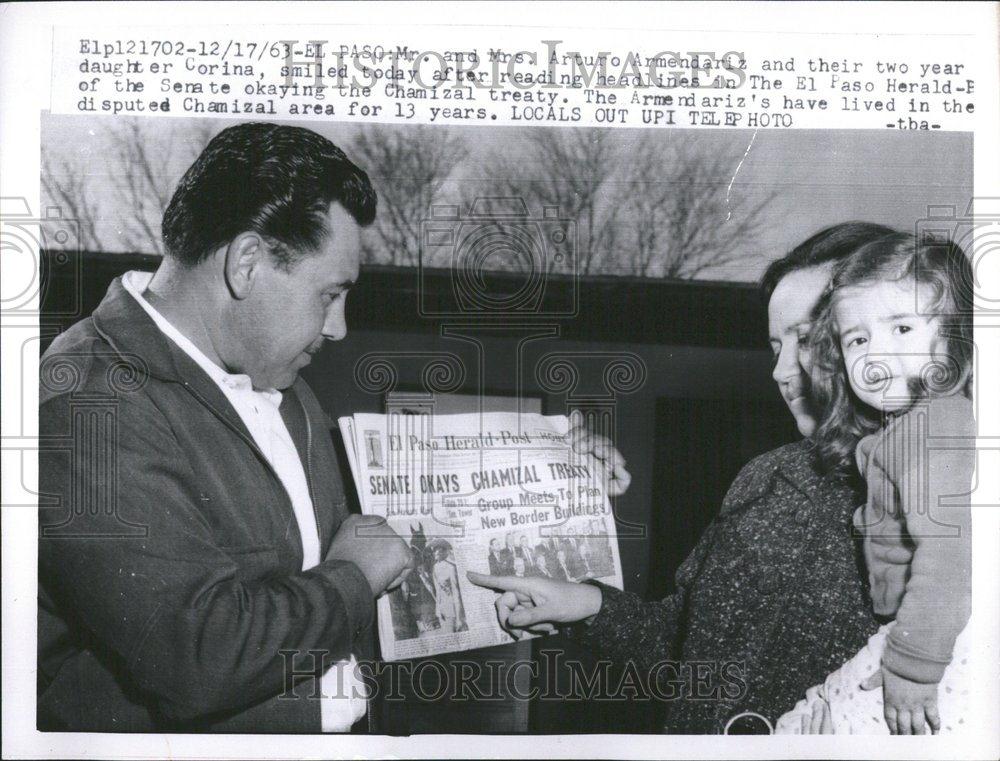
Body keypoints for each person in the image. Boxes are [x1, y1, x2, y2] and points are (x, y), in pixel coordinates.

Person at [37, 123, 415, 732]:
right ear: (247, 263)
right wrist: (353, 580)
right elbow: (197, 658)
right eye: (330, 294)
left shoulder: (289, 389)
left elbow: (366, 547)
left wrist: (566, 483)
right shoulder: (88, 399)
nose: (339, 327)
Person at [469, 223, 897, 734]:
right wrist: (584, 602)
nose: (782, 370)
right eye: (773, 346)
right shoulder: (763, 479)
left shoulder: (936, 498)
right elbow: (687, 646)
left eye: (805, 340)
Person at [776, 233, 974, 735]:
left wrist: (911, 664)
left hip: (932, 643)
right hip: (919, 634)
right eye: (857, 339)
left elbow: (952, 549)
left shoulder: (934, 426)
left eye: (902, 327)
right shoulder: (904, 429)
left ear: (954, 337)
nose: (875, 354)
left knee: (803, 728)